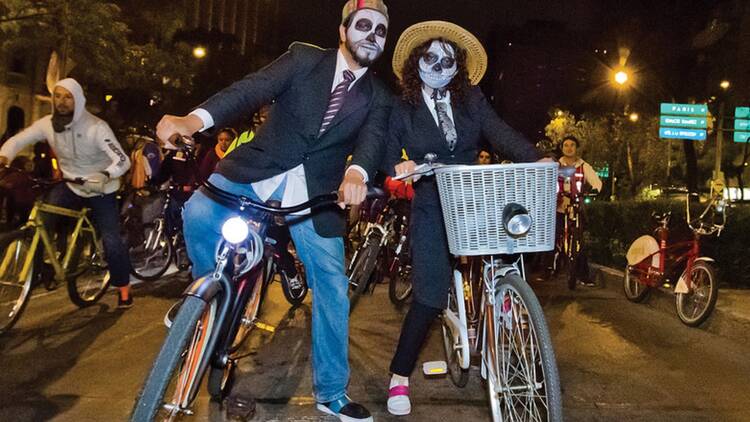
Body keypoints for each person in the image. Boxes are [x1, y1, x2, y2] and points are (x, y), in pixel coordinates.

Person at [154, 1, 392, 420]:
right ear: (342, 31)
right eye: (363, 25)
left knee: (334, 287)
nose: (372, 35)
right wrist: (193, 120)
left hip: (317, 194)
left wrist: (356, 171)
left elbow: (371, 143)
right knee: (197, 212)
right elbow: (250, 89)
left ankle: (332, 392)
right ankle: (204, 300)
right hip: (256, 167)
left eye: (381, 30)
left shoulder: (378, 97)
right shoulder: (303, 59)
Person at [383, 21, 541, 415]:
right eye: (430, 57)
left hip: (475, 196)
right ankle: (399, 376)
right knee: (430, 294)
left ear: (459, 66)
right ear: (416, 62)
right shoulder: (402, 106)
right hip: (432, 201)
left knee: (508, 260)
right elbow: (386, 149)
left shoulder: (471, 98)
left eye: (447, 59)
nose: (439, 65)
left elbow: (498, 132)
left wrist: (538, 159)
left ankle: (502, 327)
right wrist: (400, 166)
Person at [0, 78, 134, 308]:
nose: (62, 102)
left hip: (101, 188)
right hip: (71, 184)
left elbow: (122, 160)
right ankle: (40, 271)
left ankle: (124, 289)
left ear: (78, 100)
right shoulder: (47, 124)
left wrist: (105, 174)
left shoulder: (96, 127)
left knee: (111, 240)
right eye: (58, 96)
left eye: (68, 97)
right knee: (40, 220)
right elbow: (20, 139)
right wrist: (4, 156)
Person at [556, 135, 602, 286]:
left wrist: (594, 190)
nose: (569, 148)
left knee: (579, 241)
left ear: (576, 148)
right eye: (566, 145)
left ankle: (583, 275)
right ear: (562, 148)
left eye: (572, 145)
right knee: (553, 235)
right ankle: (549, 268)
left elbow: (596, 182)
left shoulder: (583, 166)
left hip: (576, 206)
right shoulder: (556, 166)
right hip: (559, 206)